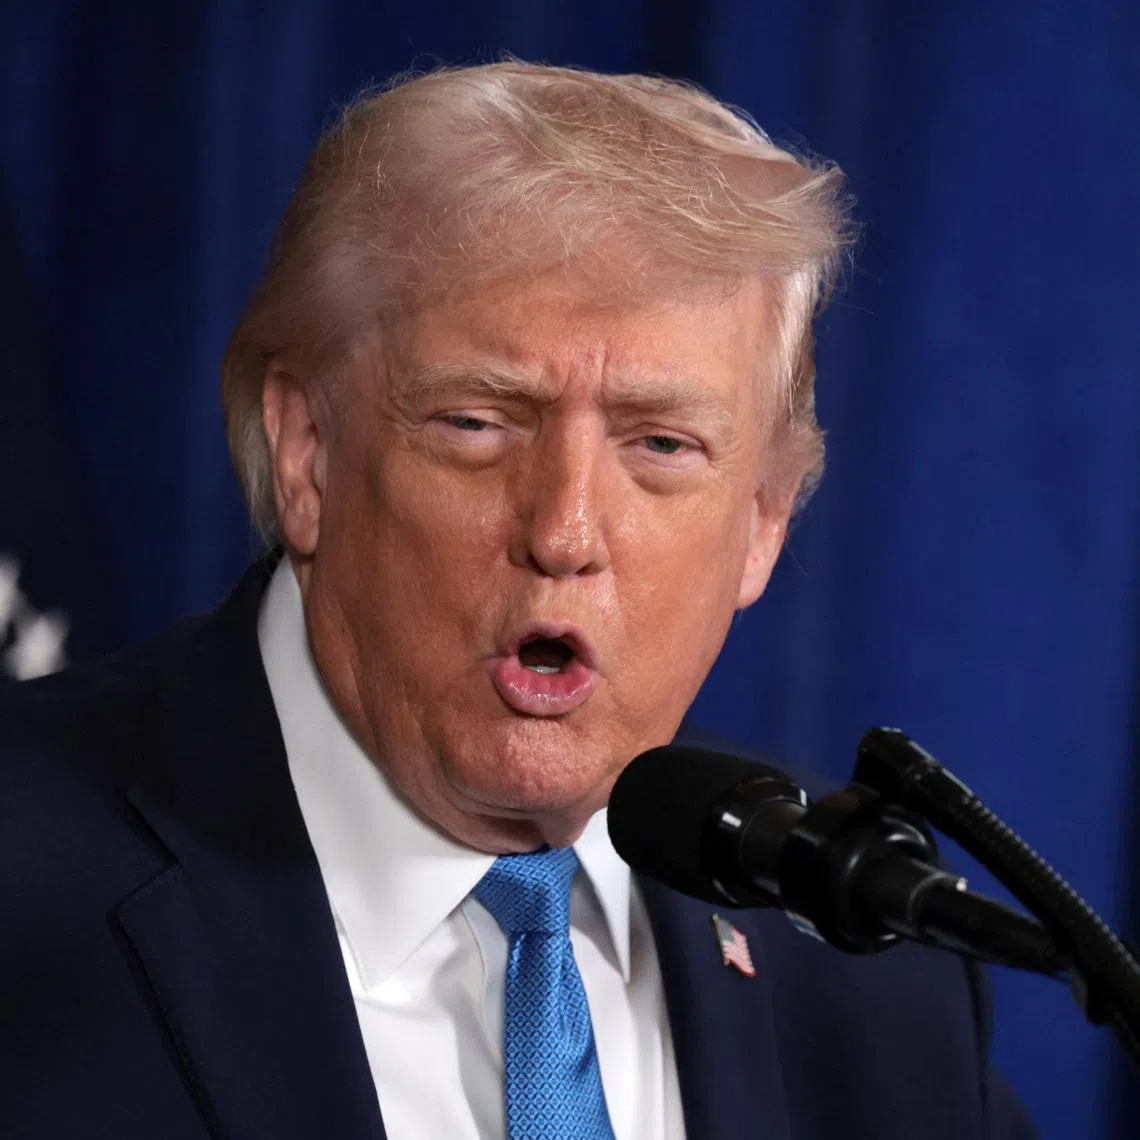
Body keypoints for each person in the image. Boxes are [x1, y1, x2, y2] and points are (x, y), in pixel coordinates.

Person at [0, 61, 1035, 1139]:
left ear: (765, 520)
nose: (565, 533)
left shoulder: (871, 971)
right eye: (478, 424)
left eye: (661, 445)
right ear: (308, 454)